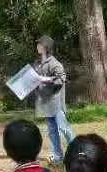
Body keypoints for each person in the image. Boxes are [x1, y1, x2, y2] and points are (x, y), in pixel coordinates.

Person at [33, 35, 74, 164]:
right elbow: (34, 79)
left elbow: (61, 78)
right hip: (46, 103)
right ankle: (58, 157)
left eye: (40, 44)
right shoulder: (37, 63)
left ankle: (78, 151)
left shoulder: (54, 63)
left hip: (56, 103)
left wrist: (46, 79)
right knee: (52, 131)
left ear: (46, 47)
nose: (37, 46)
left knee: (64, 128)